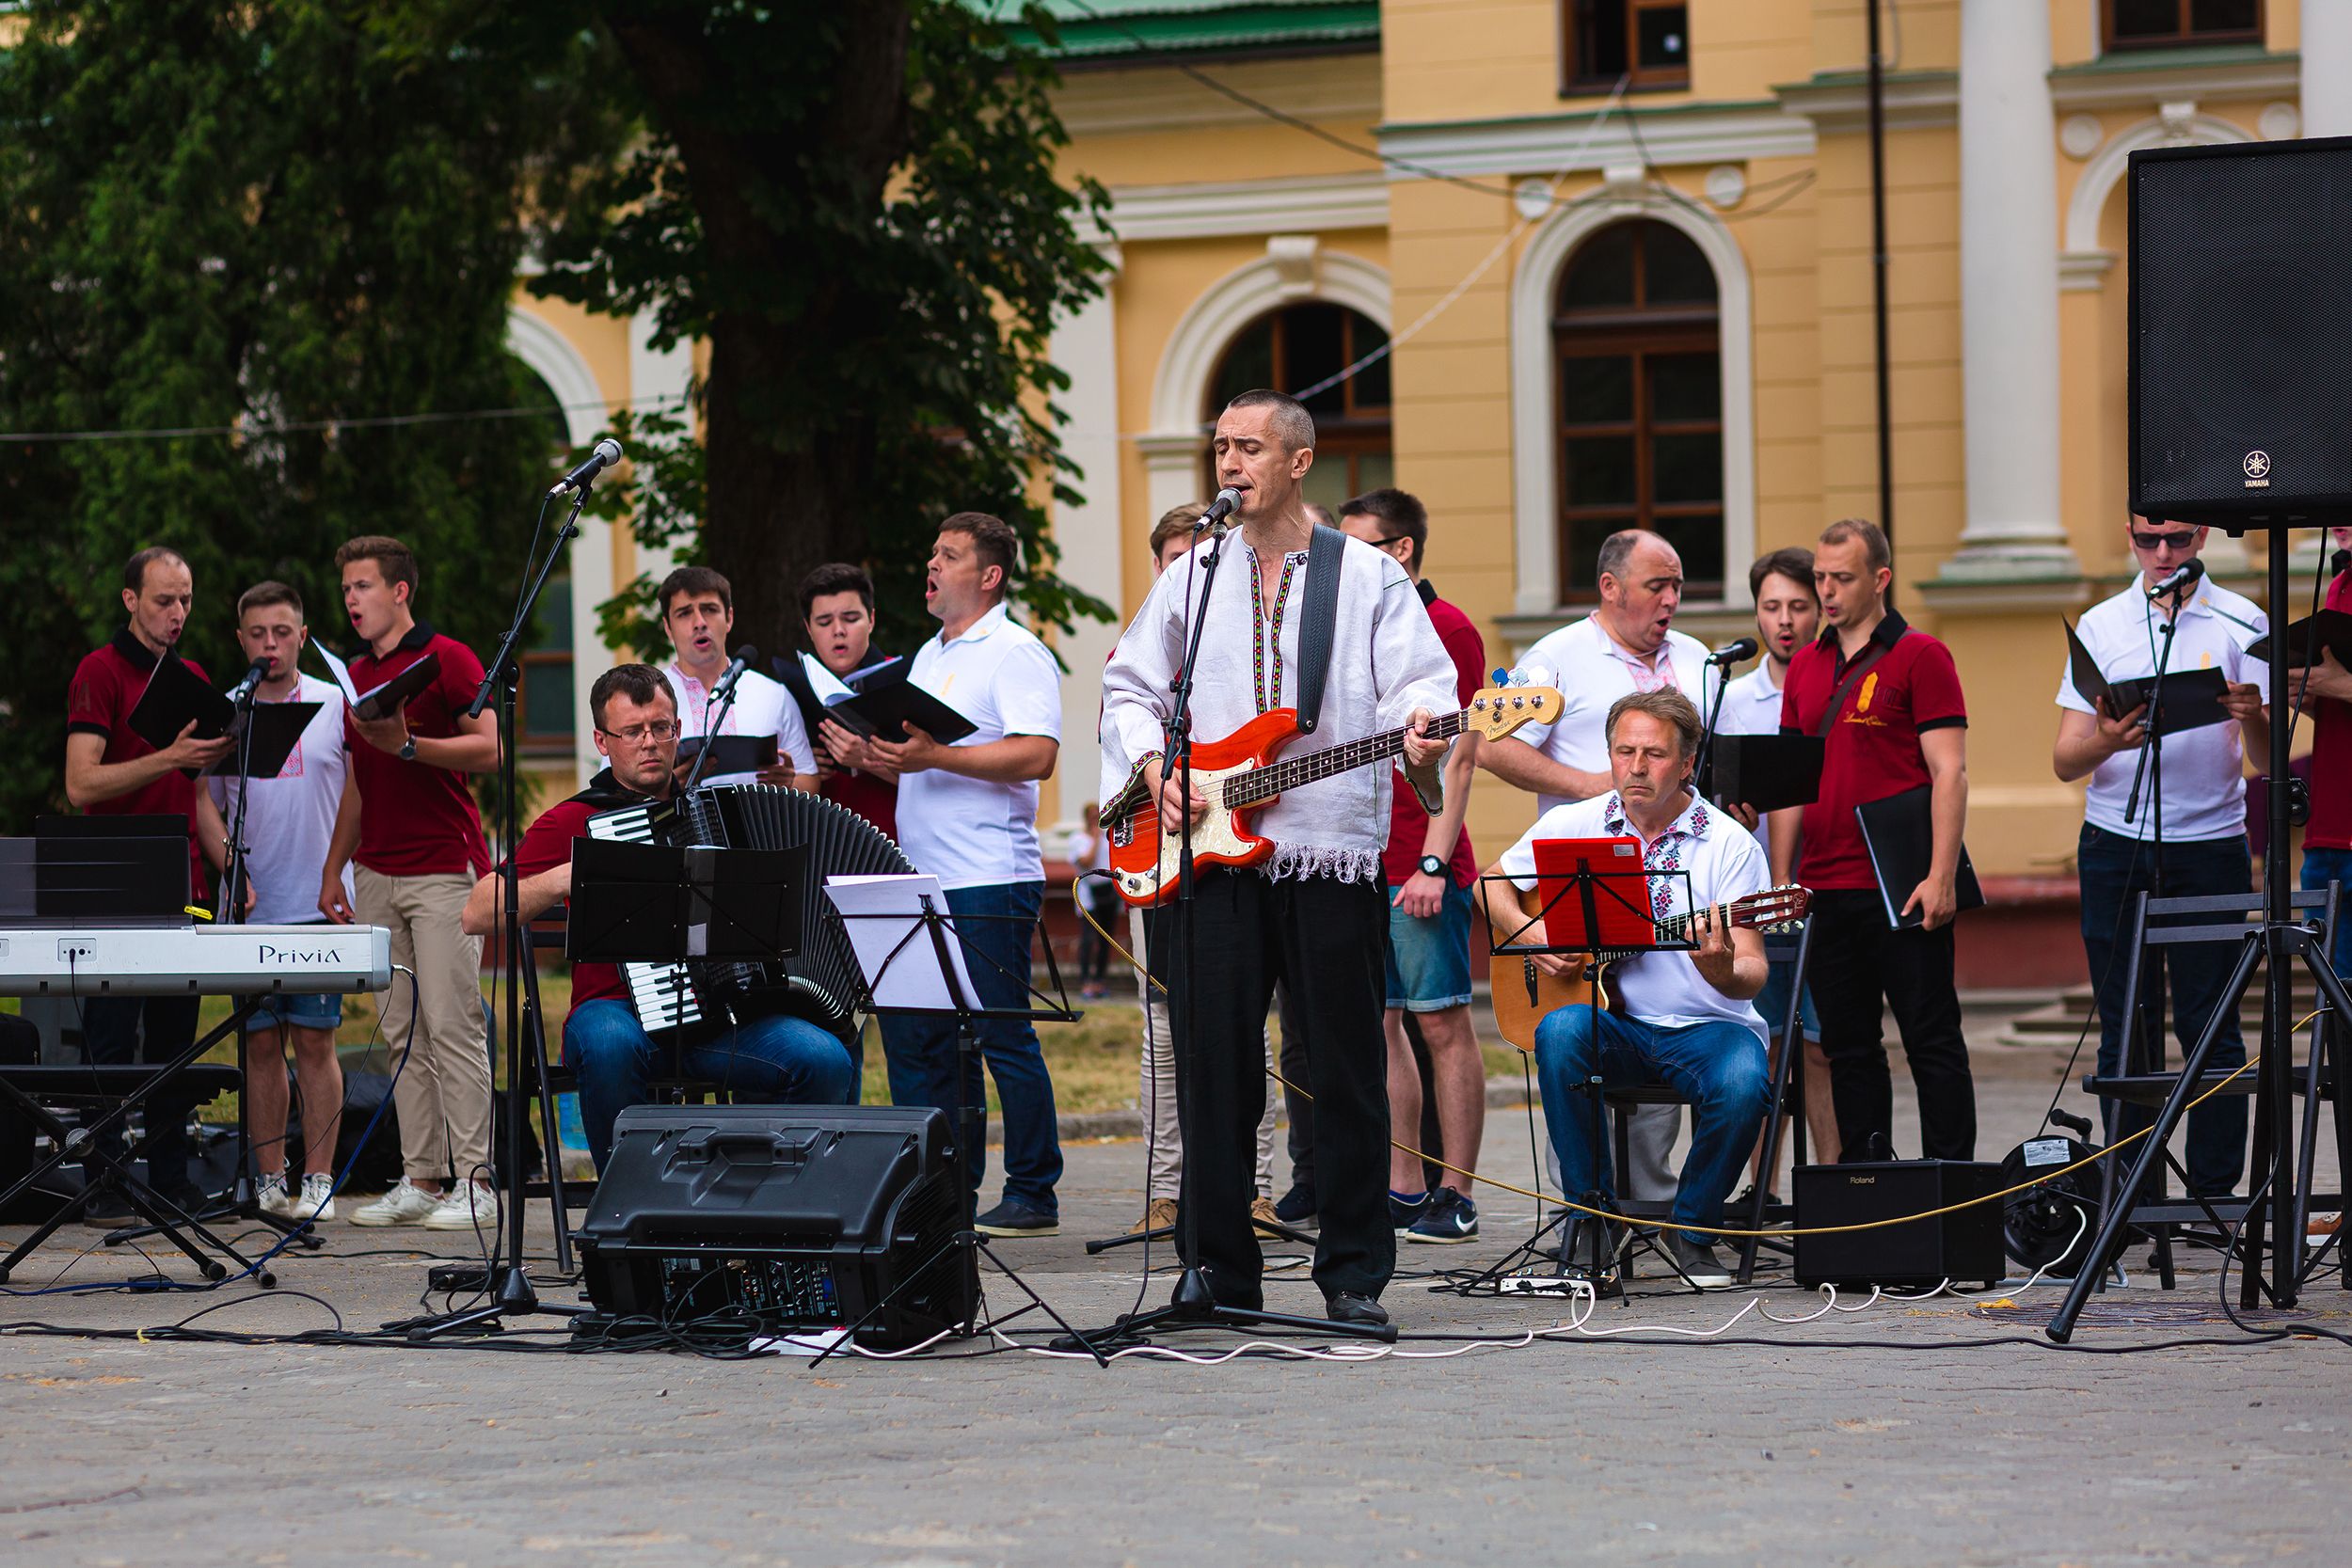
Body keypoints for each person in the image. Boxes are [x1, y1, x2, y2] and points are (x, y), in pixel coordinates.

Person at [1102, 388, 1457, 1327]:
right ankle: (1215, 1270)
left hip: (1328, 851)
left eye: (1249, 447)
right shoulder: (1195, 572)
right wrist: (1153, 766)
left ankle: (1350, 1275)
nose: (1229, 462)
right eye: (1221, 445)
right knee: (1214, 1067)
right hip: (1210, 853)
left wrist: (1420, 727)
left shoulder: (1367, 575)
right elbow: (1130, 681)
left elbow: (1421, 682)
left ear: (1298, 461)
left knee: (1340, 1067)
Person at [459, 665, 855, 1168]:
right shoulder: (575, 819)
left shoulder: (718, 814)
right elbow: (476, 912)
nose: (649, 742)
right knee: (608, 1044)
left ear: (677, 733)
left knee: (822, 1058)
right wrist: (567, 876)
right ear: (603, 741)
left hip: (715, 1020)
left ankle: (767, 1215)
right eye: (632, 732)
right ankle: (628, 1219)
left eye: (660, 728)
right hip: (615, 1013)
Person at [1479, 689, 1771, 1289]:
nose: (1636, 767)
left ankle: (1693, 1233)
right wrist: (1530, 934)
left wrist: (1717, 967)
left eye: (1655, 754)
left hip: (1708, 1029)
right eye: (1624, 751)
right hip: (1612, 1023)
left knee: (1744, 1082)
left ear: (1687, 764)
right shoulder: (1573, 822)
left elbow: (1752, 971)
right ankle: (1593, 1219)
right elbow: (1488, 886)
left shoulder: (1730, 845)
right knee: (1558, 1030)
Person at [833, 514, 1065, 1237]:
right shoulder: (928, 656)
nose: (930, 563)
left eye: (950, 554)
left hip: (989, 874)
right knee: (924, 1039)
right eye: (932, 551)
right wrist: (869, 757)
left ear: (989, 576)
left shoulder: (1016, 651)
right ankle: (940, 1191)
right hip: (919, 875)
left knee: (1000, 1036)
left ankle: (1034, 1191)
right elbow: (920, 759)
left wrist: (934, 759)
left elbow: (1037, 755)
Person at [1479, 528, 1716, 1211]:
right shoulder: (1554, 656)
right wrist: (1597, 787)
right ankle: (1584, 1212)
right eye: (1656, 586)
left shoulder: (1698, 659)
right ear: (1610, 587)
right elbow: (1493, 747)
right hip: (1581, 872)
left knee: (1659, 1025)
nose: (1671, 599)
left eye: (1676, 585)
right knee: (1575, 1043)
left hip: (1676, 873)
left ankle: (1647, 1209)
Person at [2054, 517, 2267, 1198]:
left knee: (2212, 1021)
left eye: (2177, 538)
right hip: (2117, 841)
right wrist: (2110, 739)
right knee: (2126, 1023)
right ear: (2128, 537)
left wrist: (2252, 714)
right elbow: (2065, 758)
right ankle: (2134, 1190)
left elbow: (2263, 759)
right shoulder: (2102, 623)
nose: (2163, 554)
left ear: (2203, 536)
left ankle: (2212, 1192)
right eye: (2149, 541)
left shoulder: (2242, 619)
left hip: (2211, 843)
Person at [1771, 517, 1975, 1162]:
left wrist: (1941, 875)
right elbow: (1791, 784)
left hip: (1901, 886)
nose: (1827, 592)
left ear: (1880, 578)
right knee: (1848, 1047)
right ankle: (1869, 1188)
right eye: (1821, 578)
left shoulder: (1922, 655)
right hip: (1827, 888)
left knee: (1930, 1038)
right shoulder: (1804, 665)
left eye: (1842, 578)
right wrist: (1783, 877)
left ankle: (1951, 1188)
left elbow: (1950, 772)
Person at [319, 535, 503, 1231]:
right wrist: (333, 866)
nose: (352, 600)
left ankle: (478, 1181)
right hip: (376, 871)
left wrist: (408, 743)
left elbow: (489, 748)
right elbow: (360, 784)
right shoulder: (355, 676)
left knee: (453, 1024)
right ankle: (423, 1177)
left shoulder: (448, 658)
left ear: (400, 590)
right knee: (401, 1030)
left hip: (443, 868)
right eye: (345, 590)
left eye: (362, 586)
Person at [1119, 501, 1285, 1238]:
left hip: (1236, 854)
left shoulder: (1246, 656)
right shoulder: (1140, 660)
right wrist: (1152, 787)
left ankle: (1256, 1185)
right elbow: (1110, 767)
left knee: (1247, 1027)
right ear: (1160, 569)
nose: (1187, 573)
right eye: (1173, 560)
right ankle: (1164, 1190)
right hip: (1152, 855)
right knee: (1162, 1028)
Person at [63, 546, 238, 1219]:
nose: (177, 612)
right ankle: (106, 1176)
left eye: (187, 600)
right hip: (111, 877)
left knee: (176, 1039)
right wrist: (168, 755)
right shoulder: (98, 671)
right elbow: (82, 782)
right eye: (164, 599)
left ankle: (170, 1177)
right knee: (110, 1035)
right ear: (131, 600)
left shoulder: (190, 675)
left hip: (182, 878)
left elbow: (192, 794)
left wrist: (230, 862)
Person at [1337, 487, 1486, 1244]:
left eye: (1358, 543)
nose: (1340, 555)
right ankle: (1403, 1184)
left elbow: (1460, 756)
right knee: (1383, 1023)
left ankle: (1454, 1191)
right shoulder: (1349, 622)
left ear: (1401, 550)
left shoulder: (1448, 626)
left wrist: (1432, 859)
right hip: (1358, 857)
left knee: (1443, 1022)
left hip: (1421, 861)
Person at [209, 581, 354, 1222]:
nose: (271, 644)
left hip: (319, 902)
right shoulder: (226, 710)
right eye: (258, 633)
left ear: (301, 633)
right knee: (260, 1047)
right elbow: (202, 801)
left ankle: (319, 1181)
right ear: (241, 640)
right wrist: (230, 866)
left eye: (283, 631)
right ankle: (270, 1179)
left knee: (316, 1043)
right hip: (250, 905)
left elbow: (359, 792)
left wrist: (336, 871)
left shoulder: (336, 702)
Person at [1714, 546, 1837, 1169]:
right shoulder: (1732, 699)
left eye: (1798, 606)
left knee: (1821, 1047)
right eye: (1772, 607)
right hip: (1756, 904)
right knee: (1764, 1043)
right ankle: (1754, 1187)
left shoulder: (1834, 685)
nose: (1785, 620)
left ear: (1820, 610)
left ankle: (1835, 1182)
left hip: (1826, 891)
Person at [655, 565, 817, 791]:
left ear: (729, 618)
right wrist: (665, 790)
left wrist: (789, 785)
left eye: (710, 609)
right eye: (684, 613)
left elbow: (809, 777)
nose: (700, 622)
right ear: (668, 628)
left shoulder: (773, 694)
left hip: (760, 825)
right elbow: (618, 790)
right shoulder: (648, 697)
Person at [789, 562, 898, 840]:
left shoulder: (906, 679)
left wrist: (866, 759)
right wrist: (800, 767)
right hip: (822, 851)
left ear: (871, 619)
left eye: (850, 619)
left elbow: (936, 777)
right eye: (824, 622)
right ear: (808, 629)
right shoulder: (787, 691)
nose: (838, 630)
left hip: (895, 849)